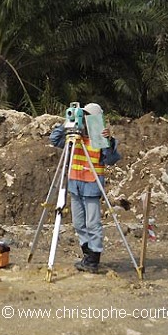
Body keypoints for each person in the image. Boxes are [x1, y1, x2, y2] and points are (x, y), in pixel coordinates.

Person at [49, 102, 121, 273]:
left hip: (92, 187)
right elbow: (54, 139)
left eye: (87, 117)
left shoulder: (100, 139)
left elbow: (111, 159)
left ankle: (94, 259)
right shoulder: (73, 137)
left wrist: (109, 141)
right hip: (75, 185)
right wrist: (67, 124)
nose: (84, 121)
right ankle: (86, 255)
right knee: (79, 223)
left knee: (92, 224)